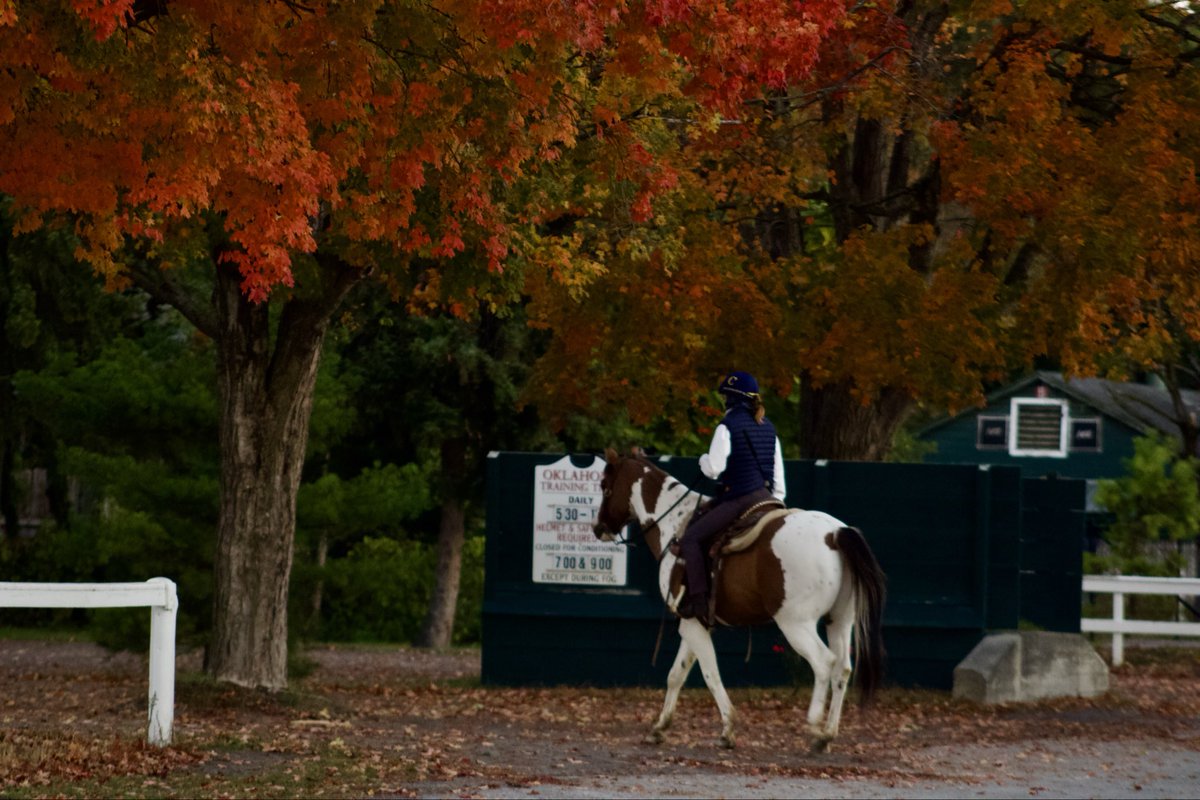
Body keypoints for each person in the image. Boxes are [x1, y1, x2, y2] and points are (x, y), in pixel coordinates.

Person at [677, 371, 787, 626]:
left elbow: (714, 468)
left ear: (730, 399)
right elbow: (780, 483)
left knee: (692, 538)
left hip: (739, 499)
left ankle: (699, 601)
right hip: (767, 499)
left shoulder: (726, 427)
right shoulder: (769, 428)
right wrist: (775, 502)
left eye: (725, 397)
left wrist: (702, 460)